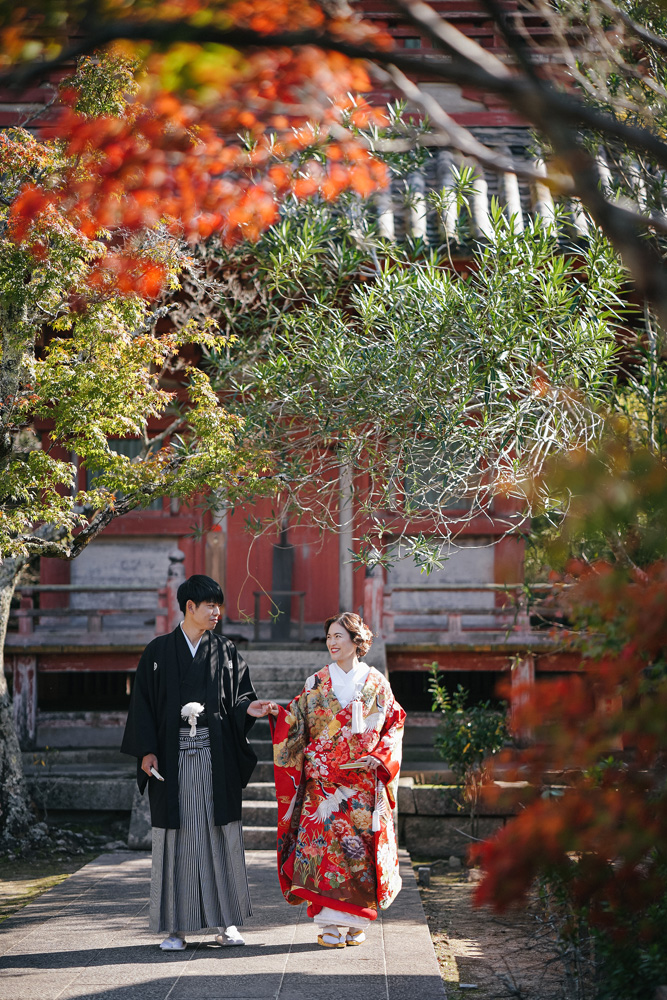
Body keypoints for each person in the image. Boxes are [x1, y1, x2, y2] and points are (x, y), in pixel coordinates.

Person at [121, 573, 267, 951]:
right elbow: (143, 706)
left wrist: (249, 708)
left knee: (220, 835)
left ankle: (227, 923)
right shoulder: (158, 651)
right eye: (210, 606)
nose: (217, 612)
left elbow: (240, 697)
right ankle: (176, 928)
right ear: (190, 607)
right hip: (173, 761)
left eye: (218, 606)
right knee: (177, 840)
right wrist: (146, 750)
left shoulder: (225, 650)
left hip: (215, 758)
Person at [263, 612, 406, 948]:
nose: (332, 642)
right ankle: (328, 924)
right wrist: (278, 714)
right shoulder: (315, 682)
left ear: (357, 641)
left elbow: (394, 724)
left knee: (359, 855)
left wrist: (380, 757)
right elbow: (296, 721)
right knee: (323, 852)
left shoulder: (377, 683)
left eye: (338, 636)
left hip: (361, 783)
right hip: (323, 786)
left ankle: (356, 922)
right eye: (329, 636)